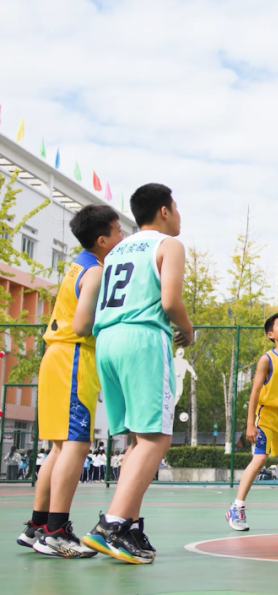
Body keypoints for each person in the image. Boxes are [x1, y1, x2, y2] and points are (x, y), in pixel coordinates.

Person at [81, 183, 193, 565]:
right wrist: (188, 329)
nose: (179, 215)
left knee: (136, 439)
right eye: (176, 207)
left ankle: (125, 524)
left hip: (107, 340)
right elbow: (170, 300)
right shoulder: (168, 245)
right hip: (142, 338)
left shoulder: (115, 252)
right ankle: (112, 524)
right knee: (156, 438)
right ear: (164, 210)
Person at [16, 205, 124, 558]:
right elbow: (81, 325)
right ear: (102, 239)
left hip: (58, 358)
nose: (122, 236)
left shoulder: (78, 265)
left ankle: (38, 525)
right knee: (75, 445)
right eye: (118, 231)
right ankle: (56, 532)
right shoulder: (95, 272)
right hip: (74, 359)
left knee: (60, 448)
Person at [227, 312, 278, 532]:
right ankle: (237, 506)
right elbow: (255, 392)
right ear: (270, 334)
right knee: (260, 458)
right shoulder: (267, 359)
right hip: (268, 416)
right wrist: (250, 424)